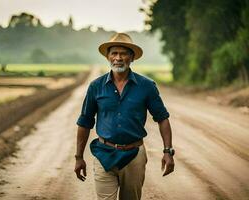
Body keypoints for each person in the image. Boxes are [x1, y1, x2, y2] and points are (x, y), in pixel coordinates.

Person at [74, 33, 175, 200]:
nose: (118, 58)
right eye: (114, 53)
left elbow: (162, 118)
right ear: (108, 57)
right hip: (103, 154)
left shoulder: (147, 86)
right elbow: (85, 122)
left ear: (132, 57)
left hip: (134, 155)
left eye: (123, 53)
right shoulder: (96, 86)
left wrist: (168, 152)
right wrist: (78, 157)